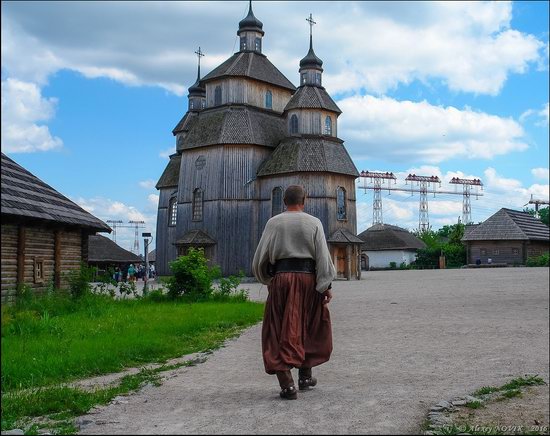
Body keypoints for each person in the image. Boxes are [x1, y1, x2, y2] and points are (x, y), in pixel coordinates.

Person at [252, 185, 336, 400]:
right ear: (304, 200)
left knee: (278, 327)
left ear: (284, 202)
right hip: (309, 279)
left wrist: (268, 279)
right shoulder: (313, 222)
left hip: (282, 280)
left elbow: (260, 257)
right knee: (309, 324)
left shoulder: (274, 222)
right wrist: (325, 285)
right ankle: (304, 377)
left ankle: (288, 384)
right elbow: (323, 258)